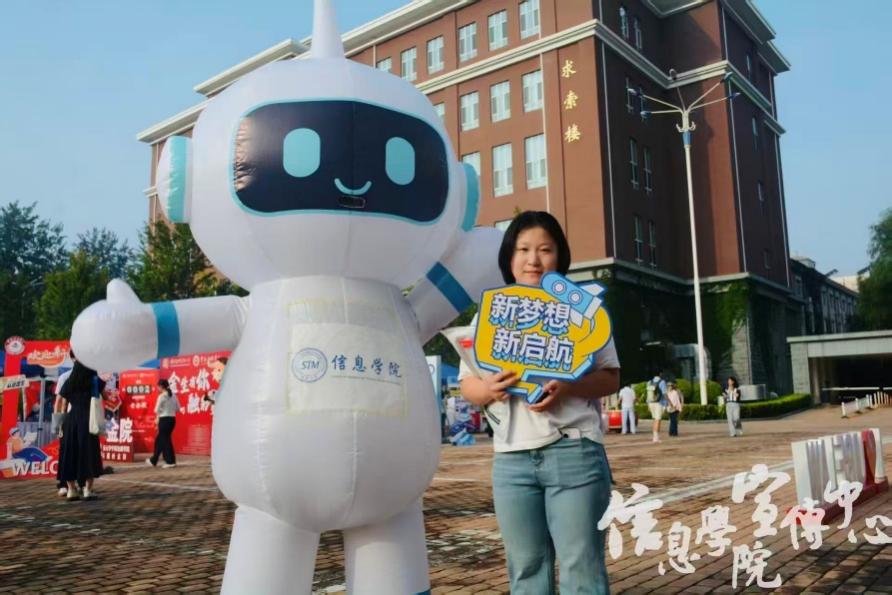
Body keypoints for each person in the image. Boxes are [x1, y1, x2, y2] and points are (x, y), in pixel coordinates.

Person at [459, 211, 620, 594]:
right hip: (511, 461)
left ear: (559, 256)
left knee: (582, 569)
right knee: (526, 570)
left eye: (545, 250)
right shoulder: (492, 312)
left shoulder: (582, 311)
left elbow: (611, 377)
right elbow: (468, 385)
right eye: (523, 249)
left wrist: (567, 386)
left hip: (573, 453)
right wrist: (489, 389)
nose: (533, 259)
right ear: (509, 257)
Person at [58, 361, 104, 501]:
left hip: (71, 421)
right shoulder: (94, 382)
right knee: (88, 453)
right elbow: (104, 397)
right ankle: (87, 490)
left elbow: (64, 404)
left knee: (70, 454)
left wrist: (61, 424)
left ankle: (71, 490)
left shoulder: (69, 382)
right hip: (88, 421)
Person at [147, 379, 178, 468]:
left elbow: (156, 410)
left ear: (161, 386)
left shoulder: (161, 396)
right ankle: (157, 460)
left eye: (158, 386)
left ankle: (168, 461)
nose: (157, 388)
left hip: (164, 420)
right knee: (163, 439)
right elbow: (178, 408)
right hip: (172, 420)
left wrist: (163, 410)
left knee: (163, 440)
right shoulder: (173, 395)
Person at [646, 373, 666, 442]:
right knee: (658, 420)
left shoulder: (649, 382)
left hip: (651, 402)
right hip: (659, 403)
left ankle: (654, 436)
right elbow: (664, 394)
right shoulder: (662, 382)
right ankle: (656, 438)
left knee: (654, 420)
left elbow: (648, 394)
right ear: (660, 374)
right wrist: (668, 402)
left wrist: (648, 404)